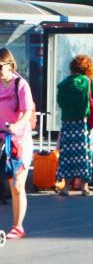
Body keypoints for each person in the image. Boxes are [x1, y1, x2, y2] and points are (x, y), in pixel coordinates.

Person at [56, 54, 93, 196]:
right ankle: (84, 186)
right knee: (85, 154)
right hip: (84, 124)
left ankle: (65, 187)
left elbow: (60, 103)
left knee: (67, 154)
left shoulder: (64, 84)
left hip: (67, 124)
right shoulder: (89, 82)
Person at [0, 48, 34, 239]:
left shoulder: (20, 84)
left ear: (10, 65)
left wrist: (17, 125)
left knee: (17, 184)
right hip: (0, 139)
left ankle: (17, 226)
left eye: (0, 67)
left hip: (18, 141)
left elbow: (27, 111)